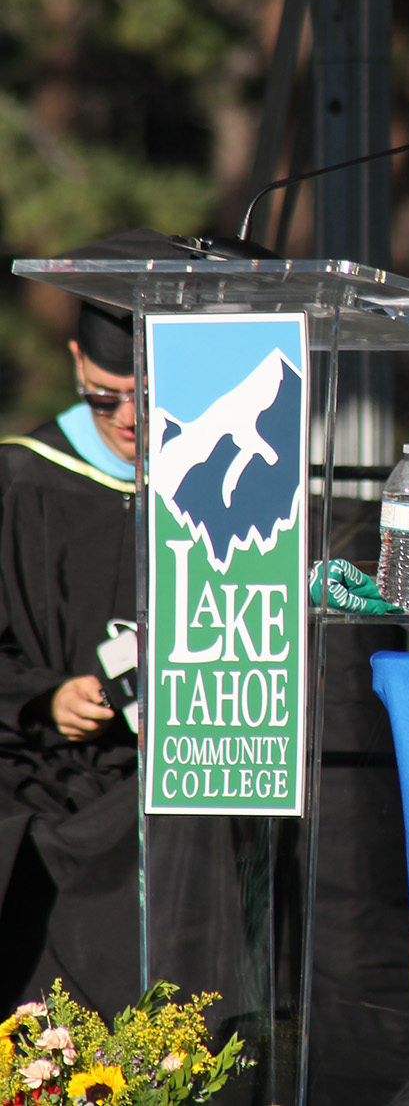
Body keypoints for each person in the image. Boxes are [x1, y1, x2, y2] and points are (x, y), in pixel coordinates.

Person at [0, 298, 140, 1016]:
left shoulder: (224, 491)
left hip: (164, 793)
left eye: (146, 395)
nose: (128, 418)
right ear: (78, 363)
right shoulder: (20, 480)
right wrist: (46, 698)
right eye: (104, 396)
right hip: (41, 780)